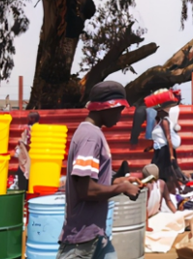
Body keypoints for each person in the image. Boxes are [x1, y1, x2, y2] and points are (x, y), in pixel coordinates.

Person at [57, 81, 141, 259]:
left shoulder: (92, 133)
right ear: (107, 108)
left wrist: (117, 181)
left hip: (96, 235)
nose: (120, 115)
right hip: (81, 240)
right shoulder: (90, 137)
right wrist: (122, 189)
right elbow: (86, 190)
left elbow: (91, 179)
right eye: (119, 109)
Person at [150, 91, 184, 193]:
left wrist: (171, 155)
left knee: (165, 173)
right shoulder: (159, 122)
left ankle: (172, 192)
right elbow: (158, 138)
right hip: (159, 150)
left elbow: (168, 138)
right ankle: (169, 192)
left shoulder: (165, 121)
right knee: (163, 173)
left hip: (164, 151)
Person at [142, 164, 176, 231]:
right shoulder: (161, 183)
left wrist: (176, 214)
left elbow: (144, 207)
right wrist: (175, 214)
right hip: (152, 217)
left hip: (152, 217)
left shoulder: (148, 186)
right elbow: (168, 201)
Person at [15, 112, 40, 191]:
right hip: (36, 157)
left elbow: (24, 141)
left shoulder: (28, 129)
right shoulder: (39, 128)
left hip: (27, 156)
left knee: (24, 173)